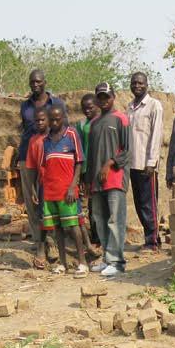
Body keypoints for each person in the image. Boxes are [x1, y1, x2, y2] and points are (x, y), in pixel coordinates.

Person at [27, 106, 88, 276]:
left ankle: (82, 262)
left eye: (57, 119)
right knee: (57, 228)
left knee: (73, 226)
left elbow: (79, 161)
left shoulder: (72, 134)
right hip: (49, 190)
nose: (54, 122)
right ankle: (63, 263)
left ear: (63, 118)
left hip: (66, 190)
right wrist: (36, 188)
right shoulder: (45, 141)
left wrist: (72, 186)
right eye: (51, 119)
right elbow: (42, 167)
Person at [14, 69, 67, 256]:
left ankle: (53, 240)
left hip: (51, 155)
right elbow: (25, 130)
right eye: (32, 82)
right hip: (28, 156)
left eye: (38, 82)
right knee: (32, 200)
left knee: (50, 197)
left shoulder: (57, 103)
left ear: (45, 82)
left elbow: (64, 129)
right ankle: (40, 242)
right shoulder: (25, 106)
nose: (35, 85)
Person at [84, 82, 131, 277]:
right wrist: (88, 179)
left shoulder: (121, 119)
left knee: (115, 220)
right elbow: (91, 154)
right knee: (100, 221)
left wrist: (109, 163)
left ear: (113, 97)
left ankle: (117, 262)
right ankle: (106, 258)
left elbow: (127, 150)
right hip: (97, 181)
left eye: (106, 97)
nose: (103, 100)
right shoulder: (94, 123)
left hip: (115, 179)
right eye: (100, 97)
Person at [126, 72, 164, 251]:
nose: (137, 86)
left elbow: (156, 135)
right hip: (133, 163)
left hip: (146, 164)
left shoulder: (154, 105)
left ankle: (152, 241)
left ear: (147, 84)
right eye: (134, 83)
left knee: (149, 204)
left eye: (140, 83)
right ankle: (152, 237)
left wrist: (152, 161)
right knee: (139, 203)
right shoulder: (130, 107)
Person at [75, 93, 102, 253]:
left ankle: (105, 238)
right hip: (87, 170)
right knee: (92, 206)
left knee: (103, 205)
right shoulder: (82, 124)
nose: (87, 111)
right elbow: (79, 149)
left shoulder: (102, 122)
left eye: (90, 107)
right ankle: (96, 238)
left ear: (97, 106)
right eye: (84, 108)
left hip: (101, 168)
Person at [24, 108, 50, 268]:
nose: (40, 123)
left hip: (59, 183)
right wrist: (33, 187)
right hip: (43, 184)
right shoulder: (34, 141)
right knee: (42, 216)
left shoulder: (58, 137)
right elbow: (32, 167)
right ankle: (41, 249)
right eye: (37, 121)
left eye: (43, 120)